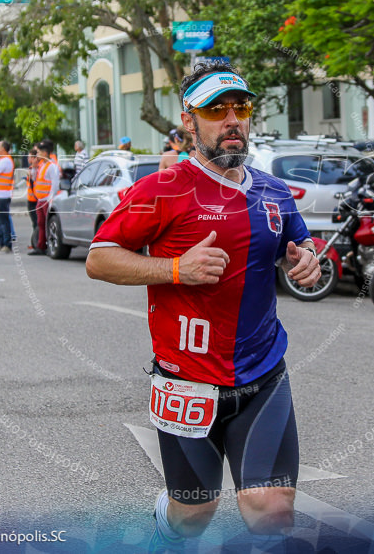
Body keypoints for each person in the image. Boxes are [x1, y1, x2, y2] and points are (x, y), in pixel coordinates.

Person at [86, 61, 320, 552]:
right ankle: (166, 524)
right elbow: (99, 259)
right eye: (217, 109)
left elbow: (300, 247)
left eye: (241, 107)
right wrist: (175, 269)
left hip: (263, 376)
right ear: (190, 121)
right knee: (194, 513)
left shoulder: (273, 191)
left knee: (272, 509)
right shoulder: (160, 190)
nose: (232, 118)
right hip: (187, 382)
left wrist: (308, 262)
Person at [30, 140, 57, 256]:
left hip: (46, 200)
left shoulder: (51, 166)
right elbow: (34, 178)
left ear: (45, 153)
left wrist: (51, 199)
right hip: (40, 200)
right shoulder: (41, 166)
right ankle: (41, 246)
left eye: (39, 152)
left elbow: (55, 184)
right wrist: (34, 167)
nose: (37, 154)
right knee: (40, 223)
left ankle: (47, 245)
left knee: (46, 224)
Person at [25, 148, 39, 249]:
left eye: (30, 156)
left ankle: (36, 242)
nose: (28, 158)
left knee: (36, 222)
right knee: (34, 222)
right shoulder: (31, 169)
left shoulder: (36, 170)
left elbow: (34, 184)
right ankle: (35, 241)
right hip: (30, 199)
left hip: (35, 200)